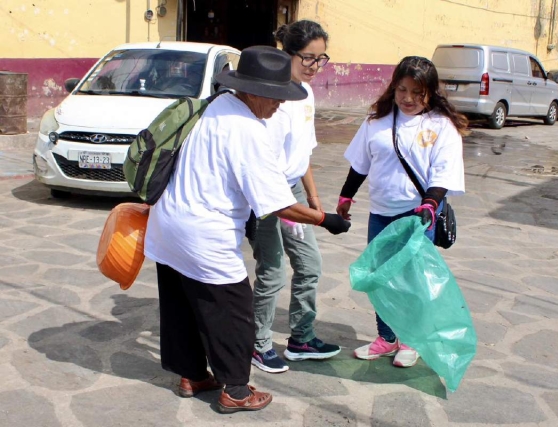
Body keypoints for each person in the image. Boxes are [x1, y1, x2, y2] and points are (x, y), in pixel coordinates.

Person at [143, 45, 350, 414]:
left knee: (182, 304)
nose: (279, 105)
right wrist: (325, 220)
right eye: (275, 97)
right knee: (235, 310)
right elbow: (278, 204)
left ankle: (192, 375)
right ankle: (236, 391)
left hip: (167, 222)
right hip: (204, 233)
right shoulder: (248, 130)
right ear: (253, 91)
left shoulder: (214, 105)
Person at [335, 56, 467, 368]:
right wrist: (346, 196)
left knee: (412, 279)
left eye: (417, 92)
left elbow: (443, 174)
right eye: (402, 90)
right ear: (393, 88)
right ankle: (386, 337)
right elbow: (360, 165)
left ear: (430, 93)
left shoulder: (440, 127)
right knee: (380, 278)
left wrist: (430, 205)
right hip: (380, 213)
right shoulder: (375, 122)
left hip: (417, 215)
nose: (408, 98)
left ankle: (410, 339)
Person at [250, 20, 339, 374]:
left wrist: (314, 198)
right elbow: (263, 162)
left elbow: (304, 153)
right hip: (268, 193)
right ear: (285, 54)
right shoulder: (269, 97)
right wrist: (294, 210)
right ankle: (258, 344)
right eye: (308, 59)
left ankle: (301, 338)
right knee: (271, 271)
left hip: (295, 190)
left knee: (310, 265)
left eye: (321, 59)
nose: (315, 67)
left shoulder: (307, 94)